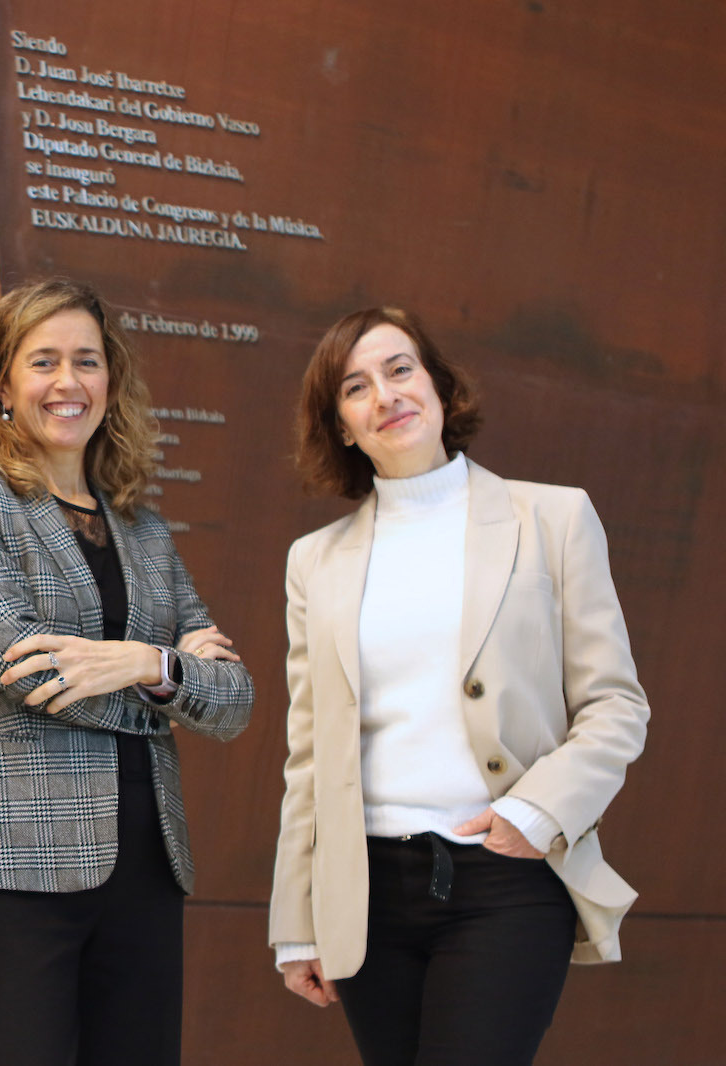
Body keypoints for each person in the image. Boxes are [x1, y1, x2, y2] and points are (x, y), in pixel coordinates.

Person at [269, 306, 650, 1065]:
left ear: (440, 388)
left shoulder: (553, 518)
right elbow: (310, 753)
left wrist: (536, 814)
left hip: (504, 878)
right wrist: (298, 920)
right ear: (342, 425)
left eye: (400, 369)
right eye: (355, 387)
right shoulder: (316, 560)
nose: (385, 395)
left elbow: (615, 705)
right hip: (367, 890)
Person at [0, 278, 255, 1066]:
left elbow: (233, 701)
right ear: (2, 384)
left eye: (87, 362)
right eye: (43, 362)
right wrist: (171, 681)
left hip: (146, 864)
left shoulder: (144, 529)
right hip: (18, 862)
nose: (68, 383)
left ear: (111, 382)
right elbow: (27, 670)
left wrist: (139, 661)